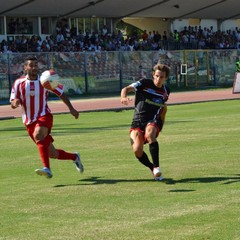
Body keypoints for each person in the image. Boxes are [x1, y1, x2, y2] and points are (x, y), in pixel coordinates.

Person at [10, 56, 84, 179]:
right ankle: (75, 157)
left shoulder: (45, 80)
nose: (34, 67)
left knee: (38, 134)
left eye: (36, 65)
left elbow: (61, 93)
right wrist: (16, 102)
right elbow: (13, 102)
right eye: (31, 65)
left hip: (44, 115)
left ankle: (47, 169)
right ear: (25, 68)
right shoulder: (19, 82)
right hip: (29, 122)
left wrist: (71, 108)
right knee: (52, 154)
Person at [120, 63, 170, 181]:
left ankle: (157, 167)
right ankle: (152, 168)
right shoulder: (144, 83)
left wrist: (161, 124)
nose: (158, 79)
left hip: (153, 121)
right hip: (137, 122)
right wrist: (123, 97)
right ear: (153, 75)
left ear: (166, 78)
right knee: (137, 150)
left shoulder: (166, 91)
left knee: (150, 132)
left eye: (162, 77)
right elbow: (126, 89)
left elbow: (164, 107)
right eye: (157, 76)